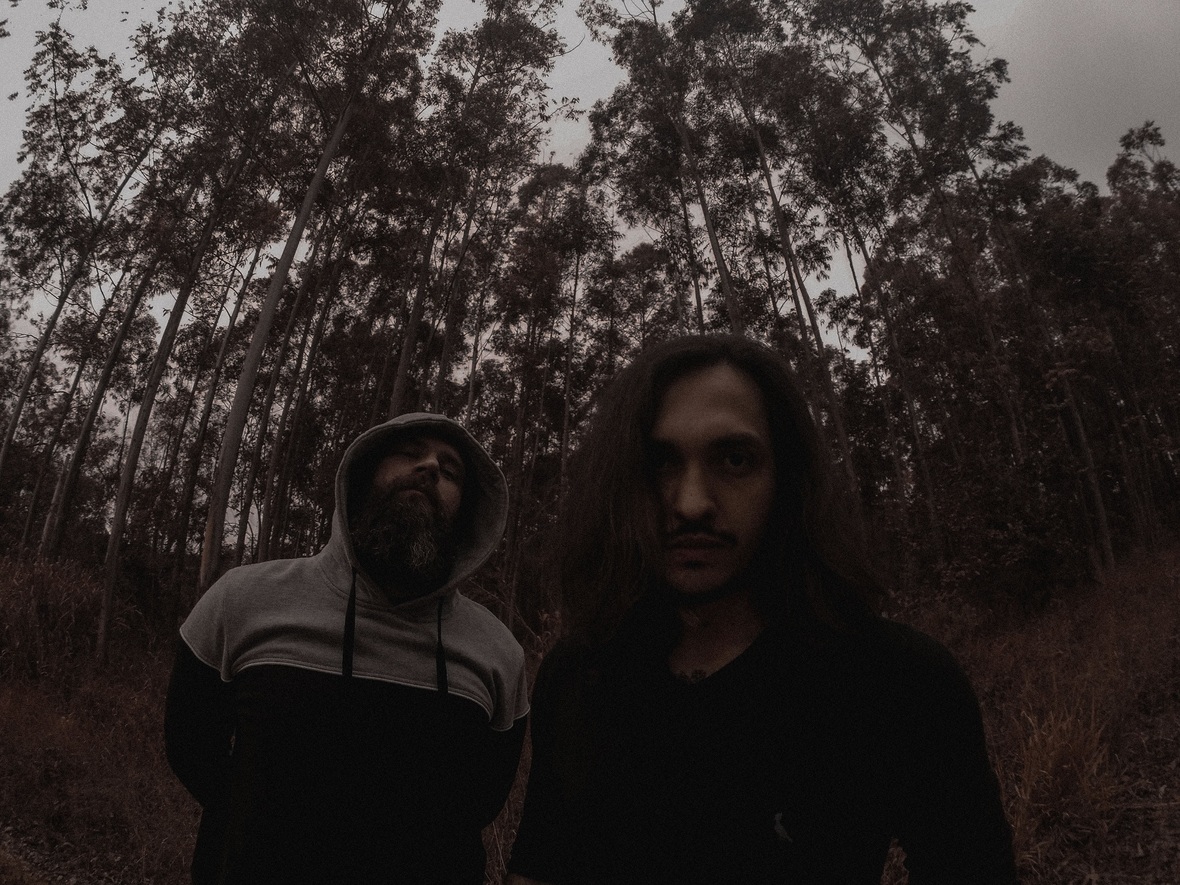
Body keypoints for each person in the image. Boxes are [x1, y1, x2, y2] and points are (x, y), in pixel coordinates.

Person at [506, 335, 1017, 884]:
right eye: (661, 463)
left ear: (785, 479)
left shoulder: (897, 681)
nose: (692, 504)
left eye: (734, 459)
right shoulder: (577, 676)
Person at [165, 413, 528, 885]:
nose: (430, 467)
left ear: (467, 514)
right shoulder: (243, 599)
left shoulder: (499, 652)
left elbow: (483, 799)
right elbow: (191, 746)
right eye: (408, 452)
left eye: (451, 470)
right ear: (361, 479)